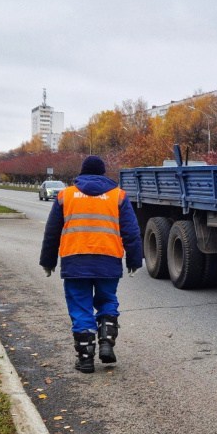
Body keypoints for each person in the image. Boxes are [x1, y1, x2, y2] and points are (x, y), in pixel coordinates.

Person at [39, 155, 143, 373]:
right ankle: (106, 341)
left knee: (80, 306)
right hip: (108, 261)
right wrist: (134, 260)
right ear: (104, 173)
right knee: (107, 300)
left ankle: (86, 359)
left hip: (75, 261)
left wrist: (48, 262)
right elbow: (132, 233)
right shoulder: (118, 196)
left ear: (82, 173)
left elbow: (51, 233)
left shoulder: (65, 196)